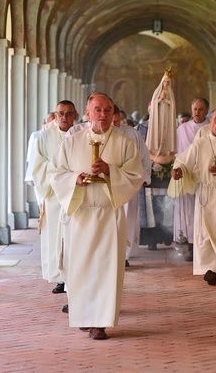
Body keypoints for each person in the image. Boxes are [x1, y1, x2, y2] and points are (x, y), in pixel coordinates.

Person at [48, 93, 144, 340]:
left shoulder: (125, 144)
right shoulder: (71, 142)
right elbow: (55, 172)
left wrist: (111, 171)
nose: (103, 114)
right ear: (87, 113)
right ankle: (83, 316)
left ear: (113, 113)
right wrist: (75, 179)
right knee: (79, 270)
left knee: (105, 270)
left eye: (108, 110)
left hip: (108, 215)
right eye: (97, 109)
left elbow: (135, 176)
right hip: (81, 215)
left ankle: (99, 322)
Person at [169, 106, 216, 285]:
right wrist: (178, 170)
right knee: (206, 234)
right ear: (210, 120)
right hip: (206, 194)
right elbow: (184, 161)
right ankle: (211, 269)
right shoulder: (200, 143)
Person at [31, 101, 78, 295]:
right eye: (60, 114)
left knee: (73, 237)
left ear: (75, 115)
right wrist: (55, 173)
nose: (64, 117)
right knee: (55, 238)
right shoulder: (45, 136)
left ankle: (73, 276)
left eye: (68, 114)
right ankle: (59, 278)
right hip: (54, 195)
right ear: (55, 115)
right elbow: (38, 165)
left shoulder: (81, 135)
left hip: (75, 193)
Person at [111, 105, 152, 267]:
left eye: (116, 120)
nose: (114, 124)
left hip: (128, 183)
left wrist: (144, 178)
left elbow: (144, 156)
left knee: (128, 219)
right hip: (110, 185)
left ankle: (124, 255)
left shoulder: (131, 133)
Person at [173, 98, 210, 254]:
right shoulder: (182, 129)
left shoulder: (211, 126)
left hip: (206, 174)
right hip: (187, 173)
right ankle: (189, 243)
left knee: (204, 208)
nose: (197, 112)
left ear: (207, 110)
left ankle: (203, 243)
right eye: (195, 109)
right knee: (187, 210)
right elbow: (178, 151)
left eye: (201, 109)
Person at [145, 68, 177, 165]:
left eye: (168, 82)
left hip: (167, 116)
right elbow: (153, 104)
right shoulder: (157, 91)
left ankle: (165, 151)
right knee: (158, 133)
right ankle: (157, 151)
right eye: (165, 82)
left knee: (166, 132)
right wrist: (159, 100)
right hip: (158, 117)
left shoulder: (170, 92)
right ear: (162, 82)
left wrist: (166, 100)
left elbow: (173, 104)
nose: (166, 84)